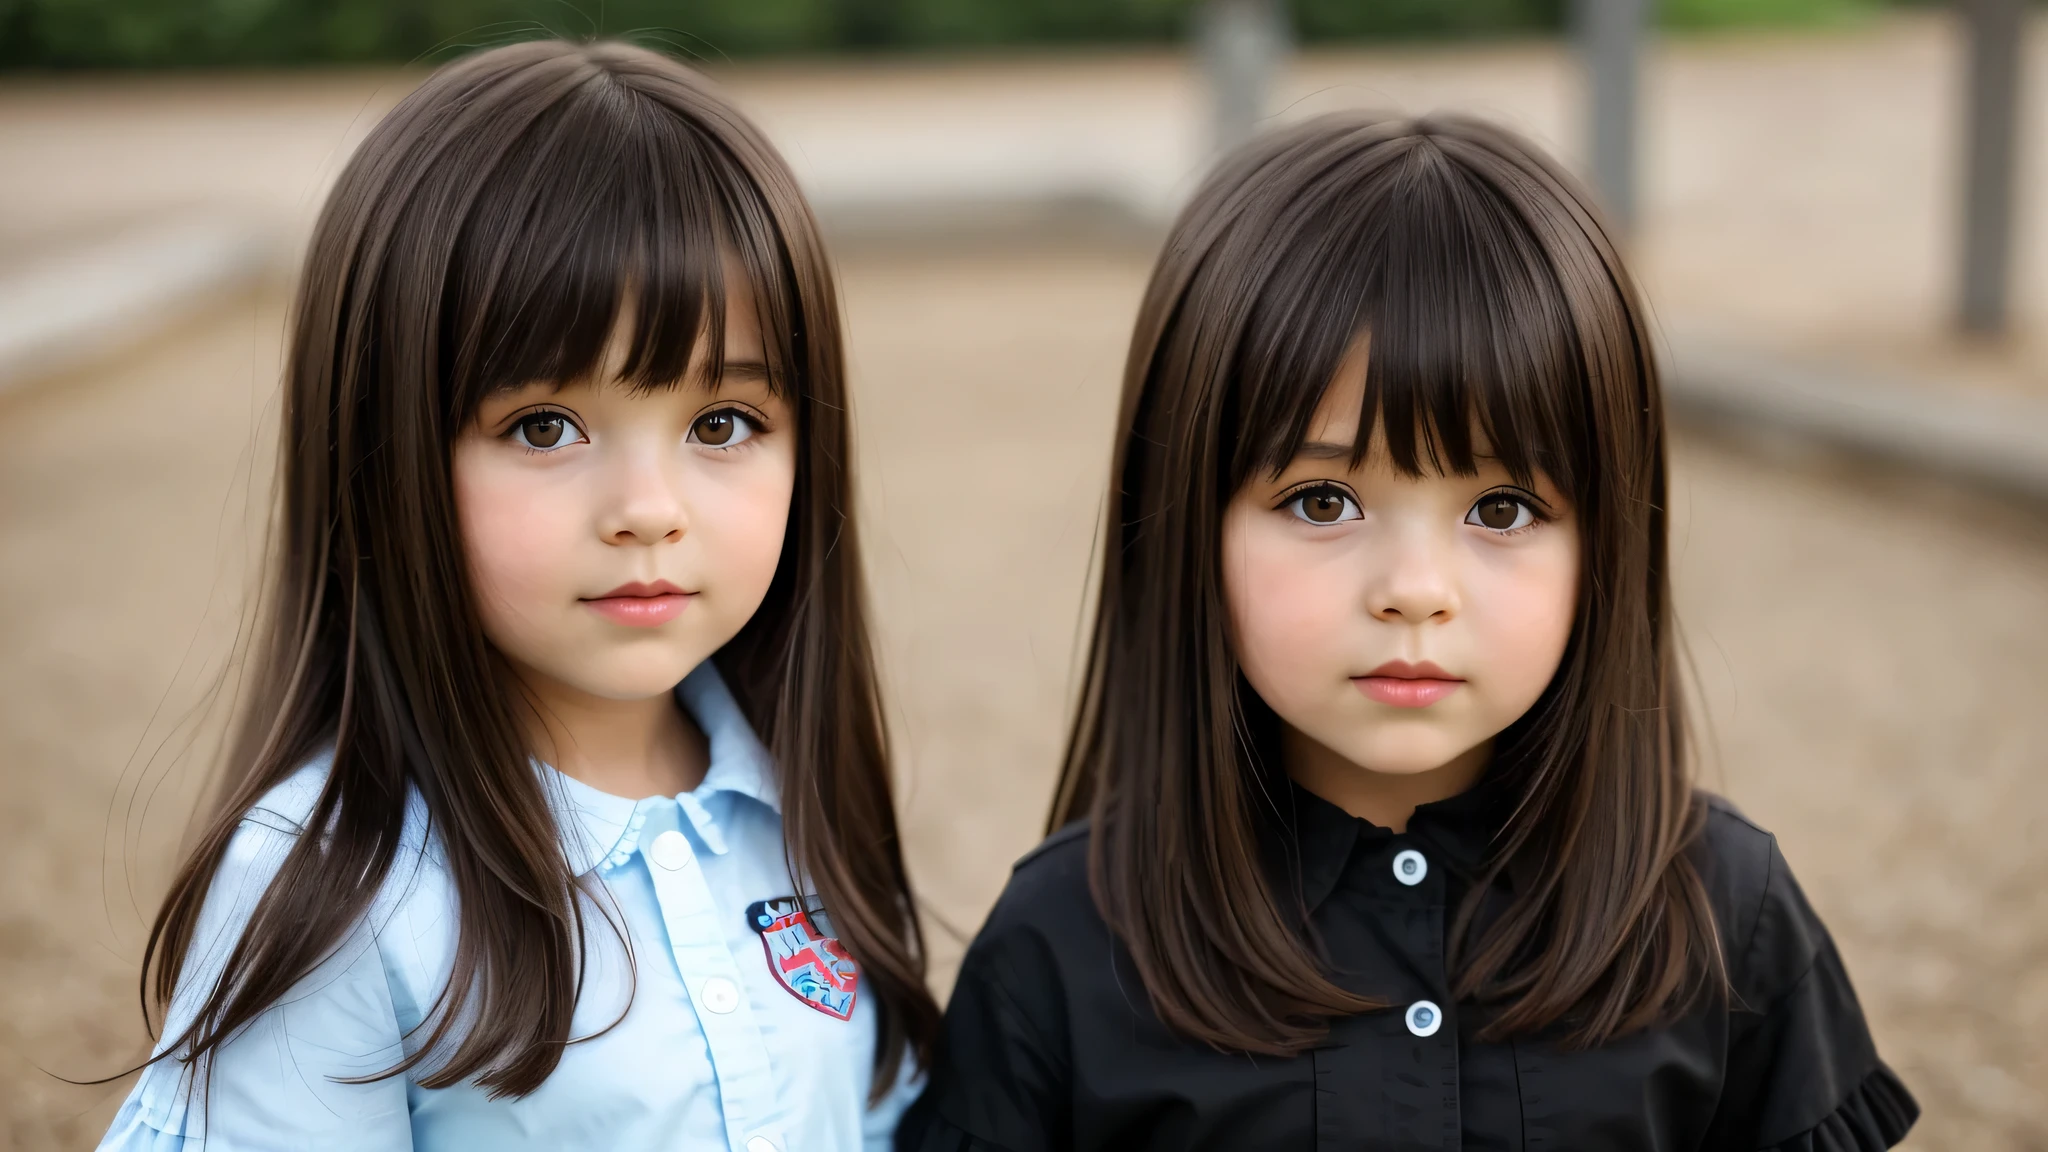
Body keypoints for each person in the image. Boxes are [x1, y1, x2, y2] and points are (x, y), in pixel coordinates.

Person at [901, 115, 1917, 1150]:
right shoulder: (1065, 944)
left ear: (1609, 542)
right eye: (1320, 501)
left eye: (1503, 510)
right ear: (1181, 521)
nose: (1414, 591)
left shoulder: (1723, 917)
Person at [101, 38, 935, 1151]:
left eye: (720, 424)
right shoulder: (331, 890)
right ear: (380, 449)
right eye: (544, 427)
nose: (648, 508)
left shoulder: (797, 803)